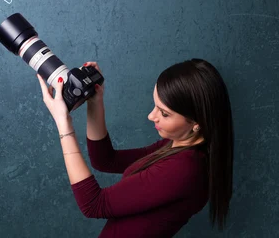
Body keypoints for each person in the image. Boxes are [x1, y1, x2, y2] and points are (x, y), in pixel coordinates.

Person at [37, 58, 234, 238]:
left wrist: (64, 123)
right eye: (155, 105)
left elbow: (94, 205)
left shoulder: (185, 168)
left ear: (196, 122)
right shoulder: (176, 145)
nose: (151, 116)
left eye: (164, 113)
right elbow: (106, 160)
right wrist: (96, 101)